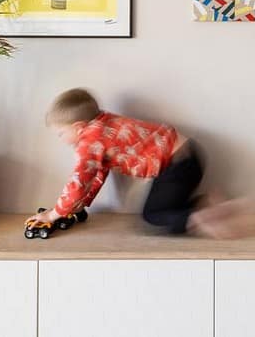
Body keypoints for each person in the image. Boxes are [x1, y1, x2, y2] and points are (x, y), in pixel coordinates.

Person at [28, 88, 242, 237]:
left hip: (176, 165)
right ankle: (207, 202)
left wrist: (55, 213)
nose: (61, 139)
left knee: (153, 215)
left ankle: (202, 217)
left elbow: (79, 181)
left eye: (60, 134)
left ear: (78, 127)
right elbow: (97, 174)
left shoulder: (89, 142)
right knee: (167, 205)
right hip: (190, 155)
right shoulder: (104, 124)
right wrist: (79, 205)